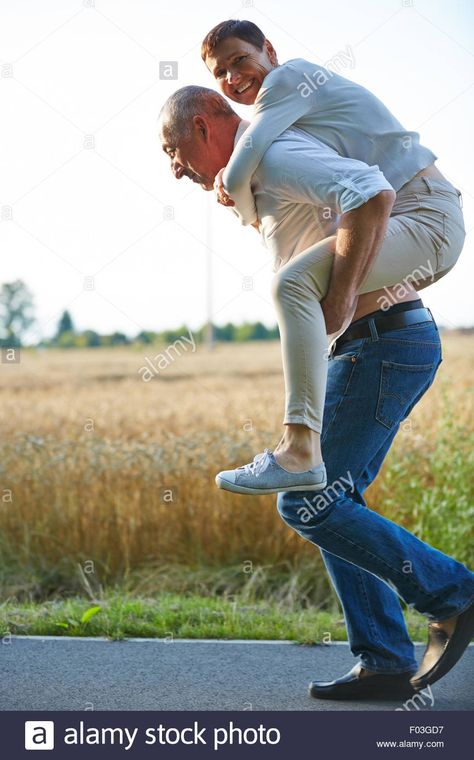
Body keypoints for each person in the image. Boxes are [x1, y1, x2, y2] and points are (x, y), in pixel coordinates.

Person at [159, 86, 474, 698]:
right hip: (370, 345)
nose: (174, 168)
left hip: (381, 342)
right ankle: (384, 658)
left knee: (308, 501)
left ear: (202, 127)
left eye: (172, 150)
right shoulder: (261, 169)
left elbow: (369, 194)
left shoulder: (277, 154)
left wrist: (338, 301)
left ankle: (453, 593)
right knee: (331, 499)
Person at [197, 20, 465, 495]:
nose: (234, 78)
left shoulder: (288, 80)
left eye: (241, 60)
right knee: (332, 499)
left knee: (293, 284)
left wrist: (229, 187)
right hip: (413, 218)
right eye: (221, 73)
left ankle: (298, 450)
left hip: (425, 214)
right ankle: (306, 447)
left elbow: (250, 151)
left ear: (269, 50)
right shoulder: (284, 116)